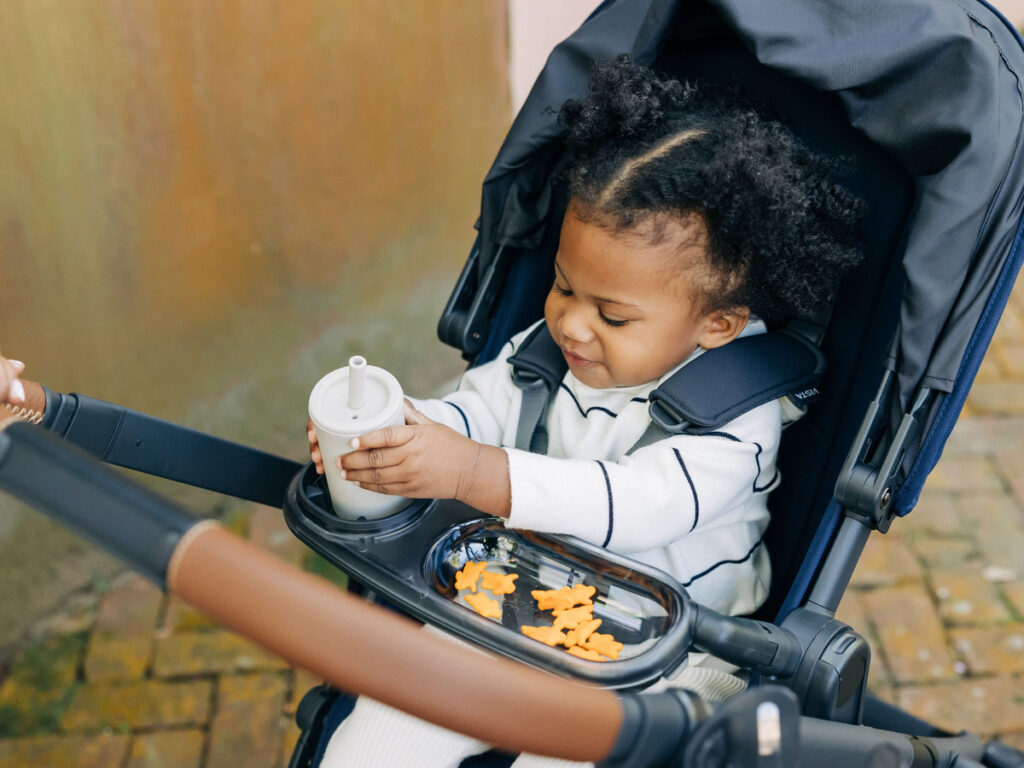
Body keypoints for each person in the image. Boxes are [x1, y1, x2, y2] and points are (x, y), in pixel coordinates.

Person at [307, 55, 863, 768]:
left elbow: (634, 504)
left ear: (717, 325)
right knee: (379, 736)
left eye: (613, 315)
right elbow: (479, 411)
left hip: (668, 653)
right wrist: (402, 435)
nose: (572, 324)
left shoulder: (738, 421)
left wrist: (473, 472)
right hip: (513, 597)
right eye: (565, 287)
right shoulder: (550, 354)